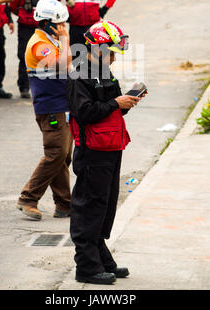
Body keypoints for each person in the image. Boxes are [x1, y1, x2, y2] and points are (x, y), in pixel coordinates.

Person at [67, 20, 145, 285]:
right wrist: (115, 102)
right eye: (110, 51)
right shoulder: (80, 73)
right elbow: (85, 112)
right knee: (89, 205)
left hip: (111, 147)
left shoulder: (104, 72)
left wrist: (128, 102)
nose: (113, 57)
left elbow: (113, 108)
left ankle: (101, 258)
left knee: (106, 203)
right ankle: (86, 267)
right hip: (92, 151)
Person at [17, 0, 73, 220]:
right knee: (55, 154)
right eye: (60, 24)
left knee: (63, 156)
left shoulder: (50, 39)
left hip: (61, 105)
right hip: (50, 108)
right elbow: (60, 63)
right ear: (46, 22)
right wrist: (66, 39)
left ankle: (64, 204)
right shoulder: (39, 44)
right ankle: (28, 198)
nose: (63, 27)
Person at [10, 0, 52, 98]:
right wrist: (24, 17)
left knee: (44, 56)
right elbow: (13, 6)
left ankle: (41, 85)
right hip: (26, 28)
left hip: (42, 29)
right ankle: (24, 86)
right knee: (24, 56)